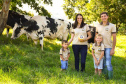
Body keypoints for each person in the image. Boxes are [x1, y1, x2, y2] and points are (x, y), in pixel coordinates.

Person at [95, 12, 116, 79]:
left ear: (107, 17)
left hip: (108, 47)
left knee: (108, 63)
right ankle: (104, 76)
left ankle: (110, 78)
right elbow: (96, 36)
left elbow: (114, 37)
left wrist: (113, 48)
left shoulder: (112, 26)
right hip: (100, 47)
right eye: (102, 16)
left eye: (105, 16)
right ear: (100, 18)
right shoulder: (98, 26)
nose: (103, 17)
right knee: (102, 63)